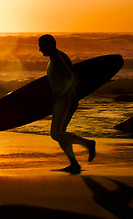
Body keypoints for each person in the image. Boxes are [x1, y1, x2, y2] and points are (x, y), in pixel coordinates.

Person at [38, 34, 96, 174]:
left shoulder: (59, 58)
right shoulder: (52, 60)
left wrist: (61, 94)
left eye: (41, 46)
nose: (39, 49)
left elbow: (72, 77)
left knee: (56, 133)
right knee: (60, 134)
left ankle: (87, 143)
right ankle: (74, 164)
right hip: (61, 101)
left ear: (49, 45)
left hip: (66, 100)